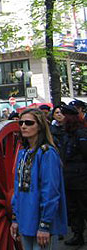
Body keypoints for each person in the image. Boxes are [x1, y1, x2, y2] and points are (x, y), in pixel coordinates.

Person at [10, 108, 67, 250]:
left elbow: (51, 191)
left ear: (40, 126)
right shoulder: (23, 154)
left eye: (29, 123)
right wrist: (16, 219)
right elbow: (17, 189)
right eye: (21, 123)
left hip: (39, 221)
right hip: (25, 220)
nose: (23, 126)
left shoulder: (47, 153)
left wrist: (45, 225)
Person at [58, 104, 87, 246]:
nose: (61, 118)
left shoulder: (81, 134)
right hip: (70, 178)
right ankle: (78, 234)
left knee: (83, 207)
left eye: (64, 116)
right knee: (74, 209)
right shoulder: (67, 135)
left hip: (81, 178)